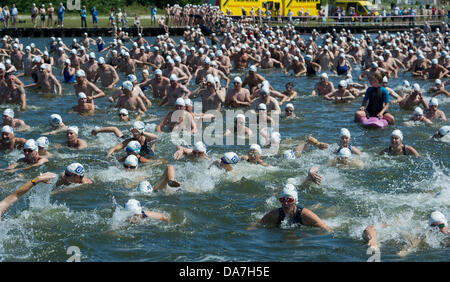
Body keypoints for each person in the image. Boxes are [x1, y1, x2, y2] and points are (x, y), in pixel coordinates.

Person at [253, 184, 332, 232]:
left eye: (289, 200)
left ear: (295, 201)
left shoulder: (306, 215)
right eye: (282, 200)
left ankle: (320, 206)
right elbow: (257, 224)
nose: (285, 203)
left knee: (325, 213)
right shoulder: (274, 214)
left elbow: (325, 228)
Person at [362, 211, 448, 252]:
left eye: (440, 226)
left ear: (446, 225)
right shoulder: (420, 234)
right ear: (429, 226)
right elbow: (371, 228)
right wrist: (373, 239)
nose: (437, 229)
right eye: (433, 226)